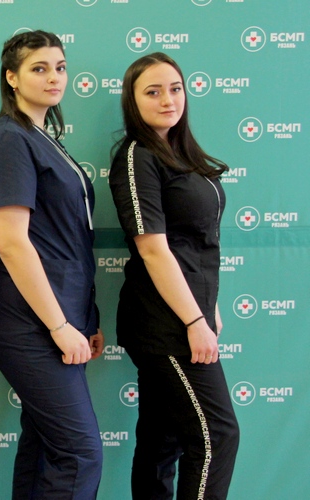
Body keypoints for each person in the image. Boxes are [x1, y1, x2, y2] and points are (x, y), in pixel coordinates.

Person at [0, 30, 104, 499]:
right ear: (11, 78)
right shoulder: (9, 140)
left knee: (47, 447)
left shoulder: (42, 138)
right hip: (31, 322)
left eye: (60, 67)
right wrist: (59, 325)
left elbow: (67, 240)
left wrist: (85, 319)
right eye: (39, 68)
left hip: (61, 315)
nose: (54, 77)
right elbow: (12, 243)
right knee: (80, 454)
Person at [109, 52, 239, 500]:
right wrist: (194, 320)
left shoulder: (181, 154)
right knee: (217, 436)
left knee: (162, 441)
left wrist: (208, 307)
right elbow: (152, 248)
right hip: (164, 325)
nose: (168, 100)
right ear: (133, 101)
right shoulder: (138, 156)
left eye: (175, 89)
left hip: (187, 315)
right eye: (153, 91)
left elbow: (195, 244)